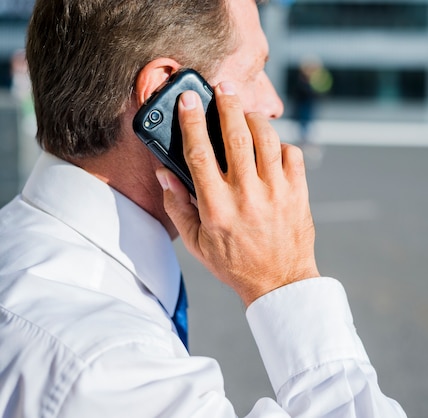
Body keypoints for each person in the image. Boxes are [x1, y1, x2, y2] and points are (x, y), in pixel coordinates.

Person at [0, 0, 407, 416]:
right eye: (254, 72)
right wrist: (286, 280)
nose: (274, 104)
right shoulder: (115, 371)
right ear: (171, 96)